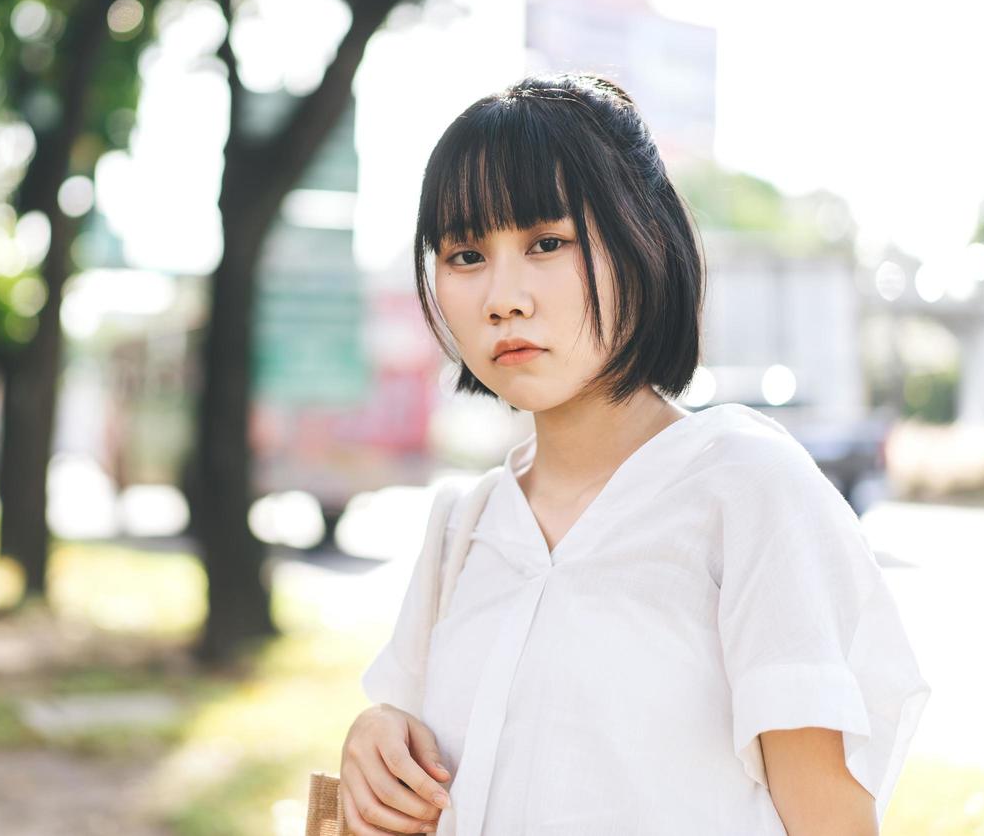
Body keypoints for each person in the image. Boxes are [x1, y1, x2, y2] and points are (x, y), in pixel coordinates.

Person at [338, 73, 930, 835]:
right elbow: (422, 750)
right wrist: (375, 741)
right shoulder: (464, 526)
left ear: (642, 239)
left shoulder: (743, 487)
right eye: (464, 255)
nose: (503, 296)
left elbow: (828, 818)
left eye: (547, 243)